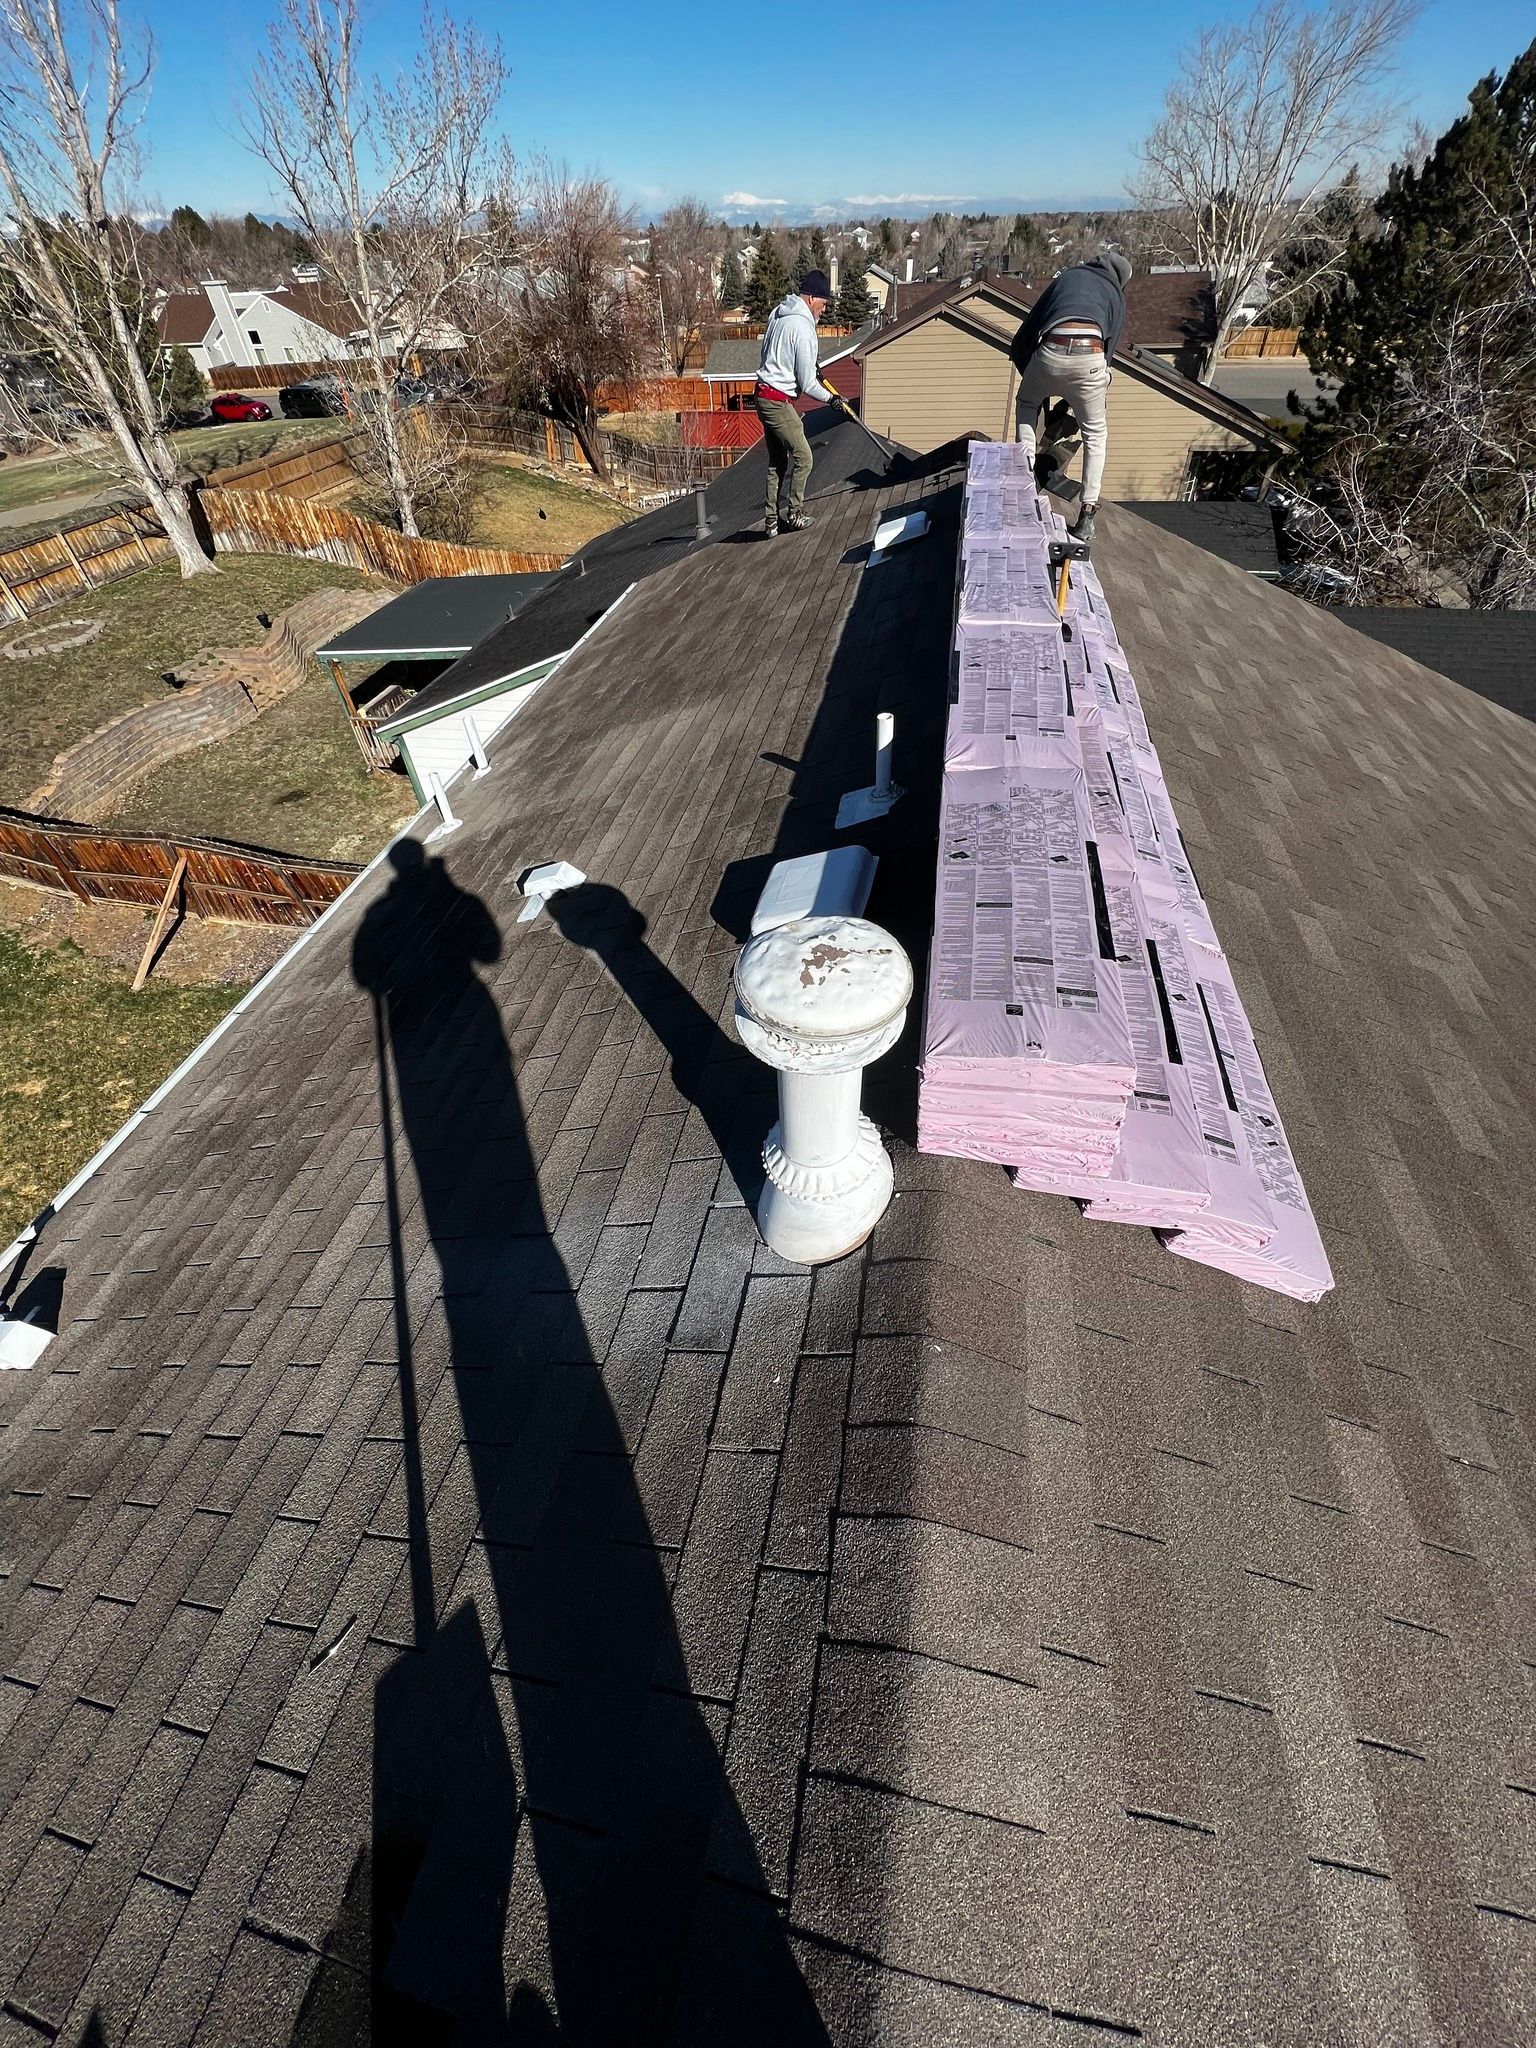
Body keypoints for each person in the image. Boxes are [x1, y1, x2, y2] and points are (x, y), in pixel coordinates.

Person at [1009, 251, 1132, 545]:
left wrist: (1035, 382)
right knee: (1095, 434)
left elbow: (1025, 335)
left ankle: (1023, 477)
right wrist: (1088, 393)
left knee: (1026, 404)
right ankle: (1087, 513)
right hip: (1091, 358)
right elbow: (1108, 354)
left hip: (1050, 348)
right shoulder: (1115, 295)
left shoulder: (1067, 278)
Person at [753, 267, 843, 536]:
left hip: (762, 393)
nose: (824, 311)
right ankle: (794, 513)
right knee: (804, 456)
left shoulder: (778, 314)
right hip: (777, 400)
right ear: (812, 299)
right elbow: (808, 385)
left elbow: (772, 354)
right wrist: (833, 400)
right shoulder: (803, 328)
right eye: (824, 304)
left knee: (777, 461)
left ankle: (771, 521)